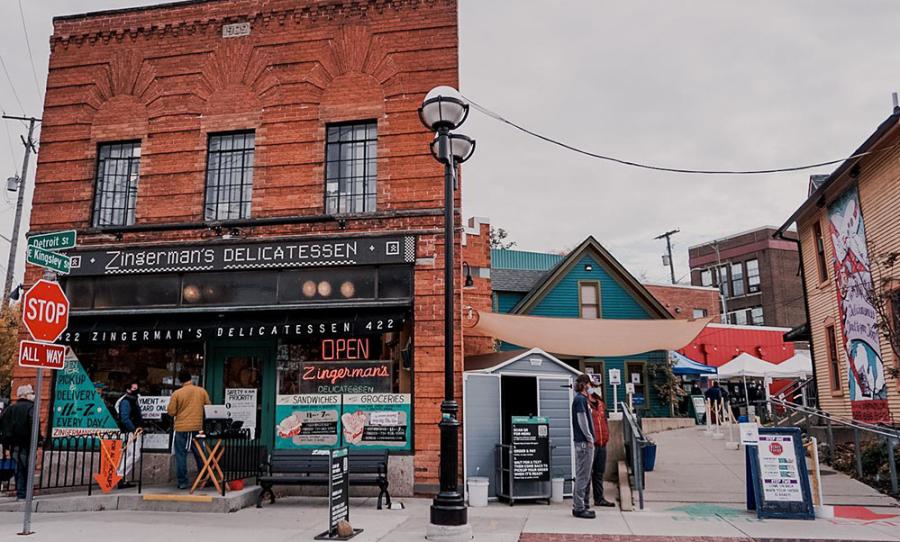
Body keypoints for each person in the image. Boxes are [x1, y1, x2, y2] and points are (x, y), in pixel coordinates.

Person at [166, 371, 210, 489]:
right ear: (191, 378)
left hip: (181, 428)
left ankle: (182, 482)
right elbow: (209, 407)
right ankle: (203, 479)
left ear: (180, 381)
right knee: (200, 454)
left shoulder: (177, 393)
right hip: (197, 427)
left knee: (181, 455)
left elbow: (171, 411)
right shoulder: (201, 391)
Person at [0, 385, 36, 500]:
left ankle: (21, 492)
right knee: (27, 468)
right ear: (25, 395)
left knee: (18, 468)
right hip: (27, 443)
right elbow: (34, 425)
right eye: (31, 393)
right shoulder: (30, 408)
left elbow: (3, 425)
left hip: (14, 444)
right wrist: (38, 439)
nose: (33, 395)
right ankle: (25, 493)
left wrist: (6, 443)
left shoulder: (10, 409)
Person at [570, 373, 595, 519]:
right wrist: (589, 438)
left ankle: (581, 506)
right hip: (584, 444)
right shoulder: (580, 400)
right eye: (590, 384)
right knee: (582, 476)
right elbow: (582, 420)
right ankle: (579, 507)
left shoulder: (583, 399)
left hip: (583, 443)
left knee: (583, 475)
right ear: (585, 384)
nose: (591, 387)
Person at [587, 380, 615, 507]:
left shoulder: (600, 404)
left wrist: (607, 435)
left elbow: (605, 421)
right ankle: (584, 499)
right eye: (590, 387)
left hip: (602, 443)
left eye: (594, 387)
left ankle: (599, 499)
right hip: (591, 444)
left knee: (599, 472)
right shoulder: (584, 403)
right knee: (587, 473)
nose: (593, 389)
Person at [115, 382, 144, 488]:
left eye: (137, 387)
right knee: (135, 455)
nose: (136, 390)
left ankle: (122, 478)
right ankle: (120, 474)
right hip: (131, 432)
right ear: (128, 389)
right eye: (134, 388)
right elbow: (125, 418)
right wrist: (134, 429)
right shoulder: (126, 402)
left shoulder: (133, 401)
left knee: (128, 455)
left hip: (133, 431)